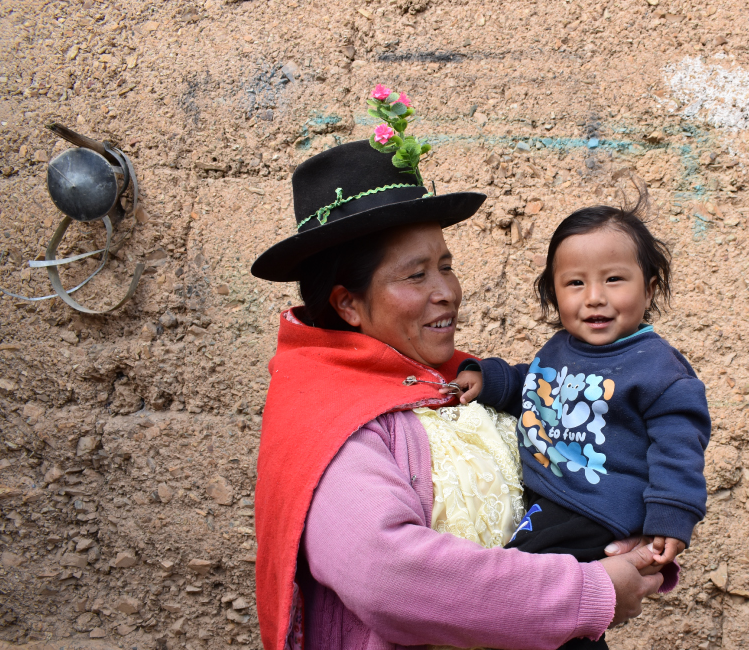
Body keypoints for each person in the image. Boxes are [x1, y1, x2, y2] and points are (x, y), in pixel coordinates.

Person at [249, 140, 673, 650]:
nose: (446, 291)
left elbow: (588, 466)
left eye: (446, 266)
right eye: (416, 274)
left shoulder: (453, 384)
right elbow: (387, 576)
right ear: (348, 304)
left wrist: (632, 542)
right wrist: (590, 589)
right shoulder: (330, 421)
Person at [453, 197, 712, 649]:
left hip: (596, 508)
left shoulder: (656, 367)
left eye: (614, 279)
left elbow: (679, 445)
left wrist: (670, 517)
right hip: (553, 499)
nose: (595, 297)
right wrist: (490, 378)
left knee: (526, 589)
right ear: (554, 294)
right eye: (575, 283)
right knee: (561, 617)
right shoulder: (559, 349)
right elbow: (532, 387)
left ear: (649, 289)